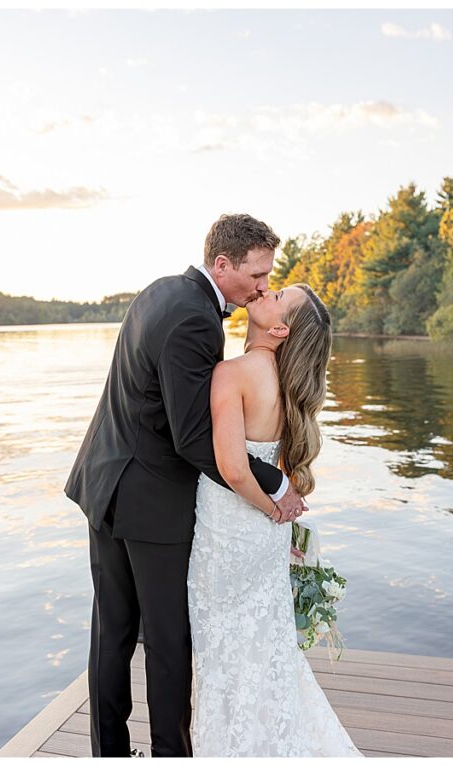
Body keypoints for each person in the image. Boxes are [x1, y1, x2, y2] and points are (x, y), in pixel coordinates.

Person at [64, 214, 307, 756]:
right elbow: (194, 438)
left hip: (102, 481)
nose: (264, 285)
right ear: (222, 265)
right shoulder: (197, 320)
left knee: (112, 632)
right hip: (150, 503)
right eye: (257, 274)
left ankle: (109, 751)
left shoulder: (161, 291)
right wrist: (276, 482)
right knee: (169, 644)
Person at [187, 283, 361, 756]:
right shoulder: (288, 384)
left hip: (226, 538)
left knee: (224, 657)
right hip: (261, 542)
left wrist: (273, 508)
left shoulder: (232, 373)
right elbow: (271, 470)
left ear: (280, 327)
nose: (264, 290)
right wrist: (278, 518)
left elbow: (233, 468)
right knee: (265, 652)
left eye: (277, 294)